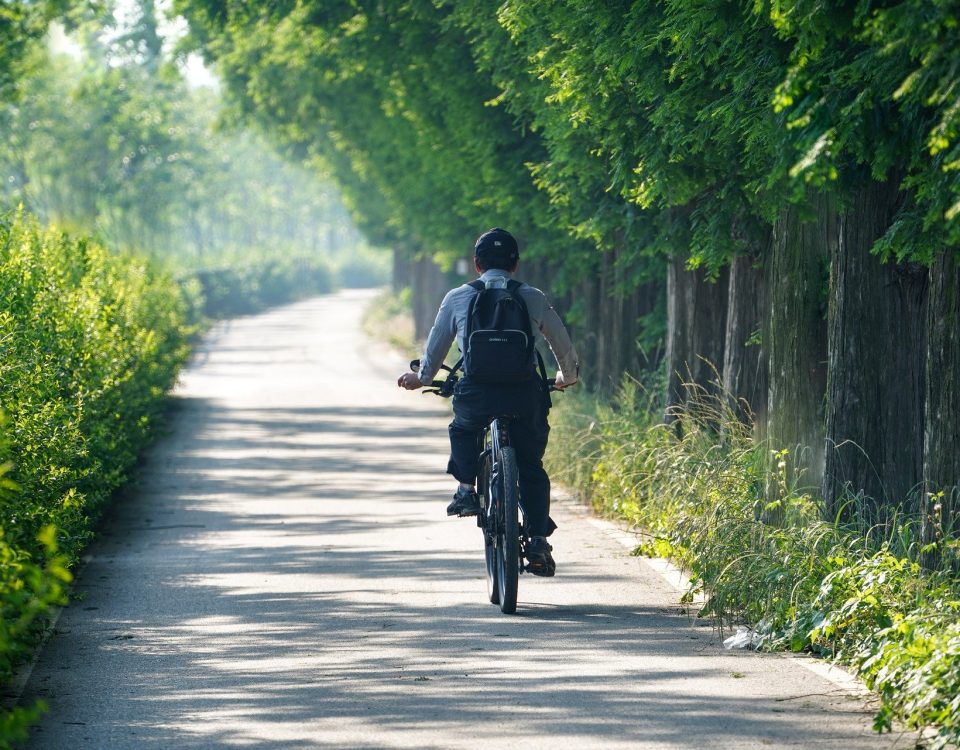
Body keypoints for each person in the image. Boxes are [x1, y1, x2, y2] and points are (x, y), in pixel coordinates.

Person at [397, 228, 578, 576]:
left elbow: (435, 350)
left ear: (477, 265)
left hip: (477, 393)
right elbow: (561, 342)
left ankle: (466, 488)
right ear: (516, 264)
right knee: (531, 465)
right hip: (524, 394)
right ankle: (538, 538)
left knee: (463, 428)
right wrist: (566, 378)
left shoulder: (457, 297)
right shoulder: (533, 296)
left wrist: (420, 377)